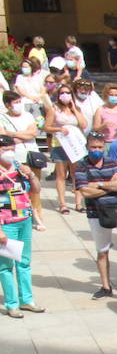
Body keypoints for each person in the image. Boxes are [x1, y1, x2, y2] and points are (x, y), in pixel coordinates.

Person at [73, 131, 117, 299]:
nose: (96, 150)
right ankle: (105, 286)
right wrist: (110, 184)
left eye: (99, 147)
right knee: (102, 251)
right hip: (96, 212)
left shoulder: (112, 162)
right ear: (87, 147)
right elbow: (85, 192)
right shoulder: (81, 166)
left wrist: (96, 185)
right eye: (93, 147)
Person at [0, 136, 44, 318]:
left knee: (24, 263)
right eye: (5, 149)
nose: (9, 152)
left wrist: (31, 175)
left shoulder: (19, 167)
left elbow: (36, 190)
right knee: (6, 265)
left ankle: (27, 300)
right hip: (6, 224)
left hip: (24, 220)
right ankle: (12, 304)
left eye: (12, 148)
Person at [44, 83, 87, 214]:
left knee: (76, 174)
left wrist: (74, 108)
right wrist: (59, 129)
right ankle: (62, 203)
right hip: (60, 144)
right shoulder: (54, 109)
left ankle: (78, 202)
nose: (65, 95)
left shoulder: (76, 109)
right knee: (61, 175)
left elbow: (83, 124)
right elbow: (47, 127)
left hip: (75, 145)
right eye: (62, 93)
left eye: (68, 92)